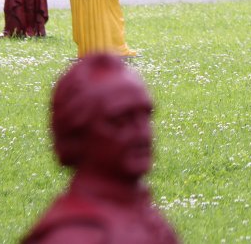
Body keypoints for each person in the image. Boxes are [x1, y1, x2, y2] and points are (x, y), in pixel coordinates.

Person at [21, 55, 179, 244]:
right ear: (77, 132)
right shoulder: (75, 235)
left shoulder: (142, 214)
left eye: (145, 116)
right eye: (120, 121)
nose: (143, 133)